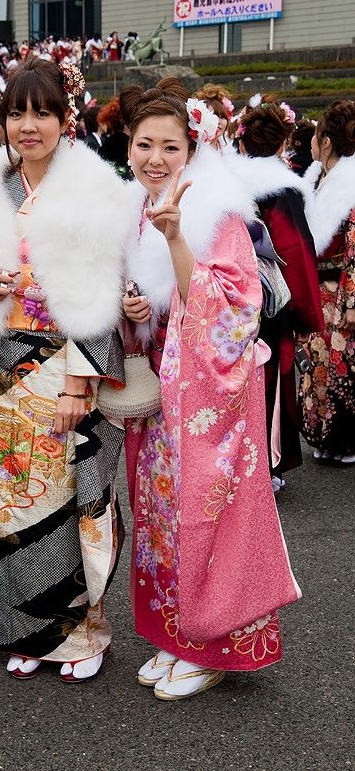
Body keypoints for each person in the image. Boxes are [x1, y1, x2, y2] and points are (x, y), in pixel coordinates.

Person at [0, 58, 131, 682]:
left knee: (66, 499)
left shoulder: (95, 186)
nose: (29, 126)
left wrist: (85, 377)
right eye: (17, 113)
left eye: (42, 112)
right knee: (5, 500)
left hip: (63, 362)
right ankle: (22, 630)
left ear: (64, 119)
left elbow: (107, 285)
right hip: (3, 360)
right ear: (3, 120)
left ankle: (83, 631)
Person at [120, 80, 301, 700]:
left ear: (192, 148)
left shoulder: (216, 213)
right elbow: (154, 309)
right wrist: (138, 310)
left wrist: (174, 239)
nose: (155, 158)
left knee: (207, 511)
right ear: (129, 146)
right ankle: (176, 635)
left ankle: (214, 643)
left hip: (208, 392)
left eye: (170, 147)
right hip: (167, 384)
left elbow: (232, 305)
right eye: (144, 144)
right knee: (164, 513)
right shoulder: (135, 207)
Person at [229, 98, 323, 488]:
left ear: (244, 144)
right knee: (270, 380)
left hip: (232, 298)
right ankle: (267, 465)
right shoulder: (284, 189)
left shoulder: (230, 184)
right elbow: (295, 252)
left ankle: (237, 464)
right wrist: (305, 311)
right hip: (271, 300)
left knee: (237, 381)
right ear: (282, 145)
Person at [299, 99, 355, 464]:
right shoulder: (319, 179)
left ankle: (344, 440)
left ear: (328, 142)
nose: (311, 142)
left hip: (340, 289)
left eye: (317, 135)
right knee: (316, 367)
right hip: (316, 288)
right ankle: (323, 435)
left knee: (339, 368)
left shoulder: (347, 185)